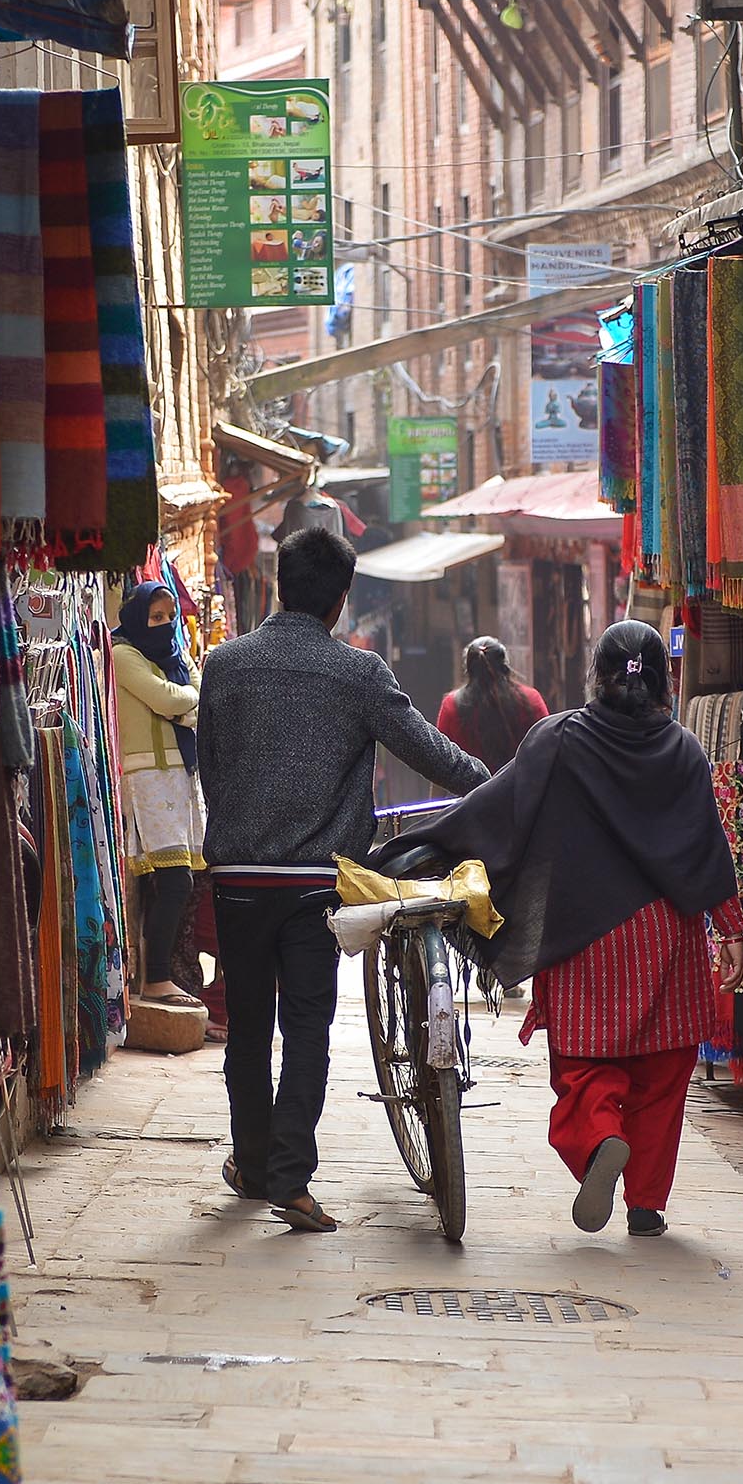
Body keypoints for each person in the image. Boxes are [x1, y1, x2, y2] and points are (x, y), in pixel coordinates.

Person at [389, 620, 742, 1237]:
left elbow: (499, 808)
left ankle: (601, 1138)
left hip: (585, 938)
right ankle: (646, 1206)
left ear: (598, 678)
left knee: (586, 1065)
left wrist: (424, 848)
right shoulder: (685, 749)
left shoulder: (561, 738)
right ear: (665, 681)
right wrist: (731, 929)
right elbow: (708, 844)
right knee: (661, 1076)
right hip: (668, 935)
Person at [196, 526, 489, 1232]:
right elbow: (432, 752)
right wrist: (493, 786)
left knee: (247, 1031)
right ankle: (290, 1179)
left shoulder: (224, 664)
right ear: (341, 600)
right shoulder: (359, 673)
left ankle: (254, 1160)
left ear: (275, 582)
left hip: (236, 872)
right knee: (306, 1030)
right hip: (312, 882)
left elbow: (210, 760)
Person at [110, 579, 209, 1022]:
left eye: (169, 616)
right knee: (174, 882)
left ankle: (159, 974)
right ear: (136, 618)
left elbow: (193, 693)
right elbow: (169, 698)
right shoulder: (123, 655)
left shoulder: (169, 655)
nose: (166, 625)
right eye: (156, 617)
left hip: (179, 776)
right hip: (150, 776)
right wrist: (184, 703)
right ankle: (156, 977)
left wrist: (183, 702)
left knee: (178, 880)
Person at [436, 636, 550, 772]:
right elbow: (547, 750)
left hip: (469, 792)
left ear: (468, 668)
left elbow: (440, 764)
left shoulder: (451, 706)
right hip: (522, 790)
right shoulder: (531, 700)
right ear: (505, 663)